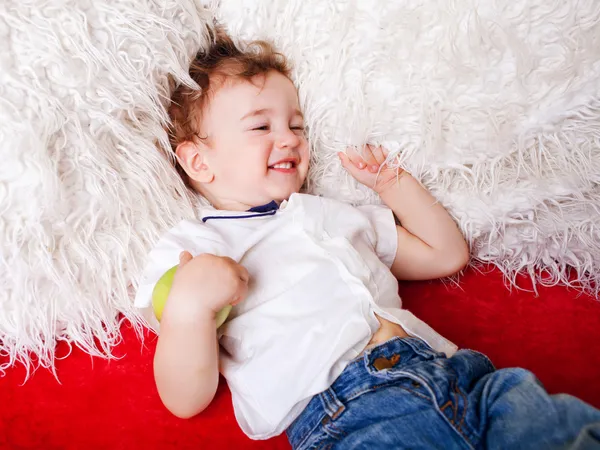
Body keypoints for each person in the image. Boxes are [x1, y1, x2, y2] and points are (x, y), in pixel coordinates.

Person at [134, 30, 600, 449]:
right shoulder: (195, 248)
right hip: (349, 413)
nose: (290, 139)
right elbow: (184, 399)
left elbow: (446, 254)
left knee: (566, 431)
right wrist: (189, 310)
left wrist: (390, 183)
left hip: (461, 376)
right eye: (261, 127)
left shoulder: (335, 216)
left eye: (296, 126)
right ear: (198, 162)